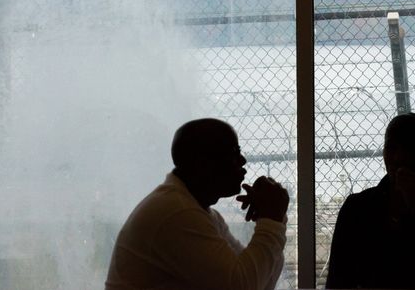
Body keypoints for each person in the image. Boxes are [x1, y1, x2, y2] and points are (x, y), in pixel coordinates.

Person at [105, 118, 289, 290]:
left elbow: (261, 283)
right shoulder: (177, 213)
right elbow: (242, 286)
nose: (242, 161)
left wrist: (274, 219)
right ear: (202, 164)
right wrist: (271, 219)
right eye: (234, 153)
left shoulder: (200, 212)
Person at [326, 112, 415, 289]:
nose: (398, 157)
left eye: (409, 148)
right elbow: (338, 279)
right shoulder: (357, 208)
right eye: (391, 147)